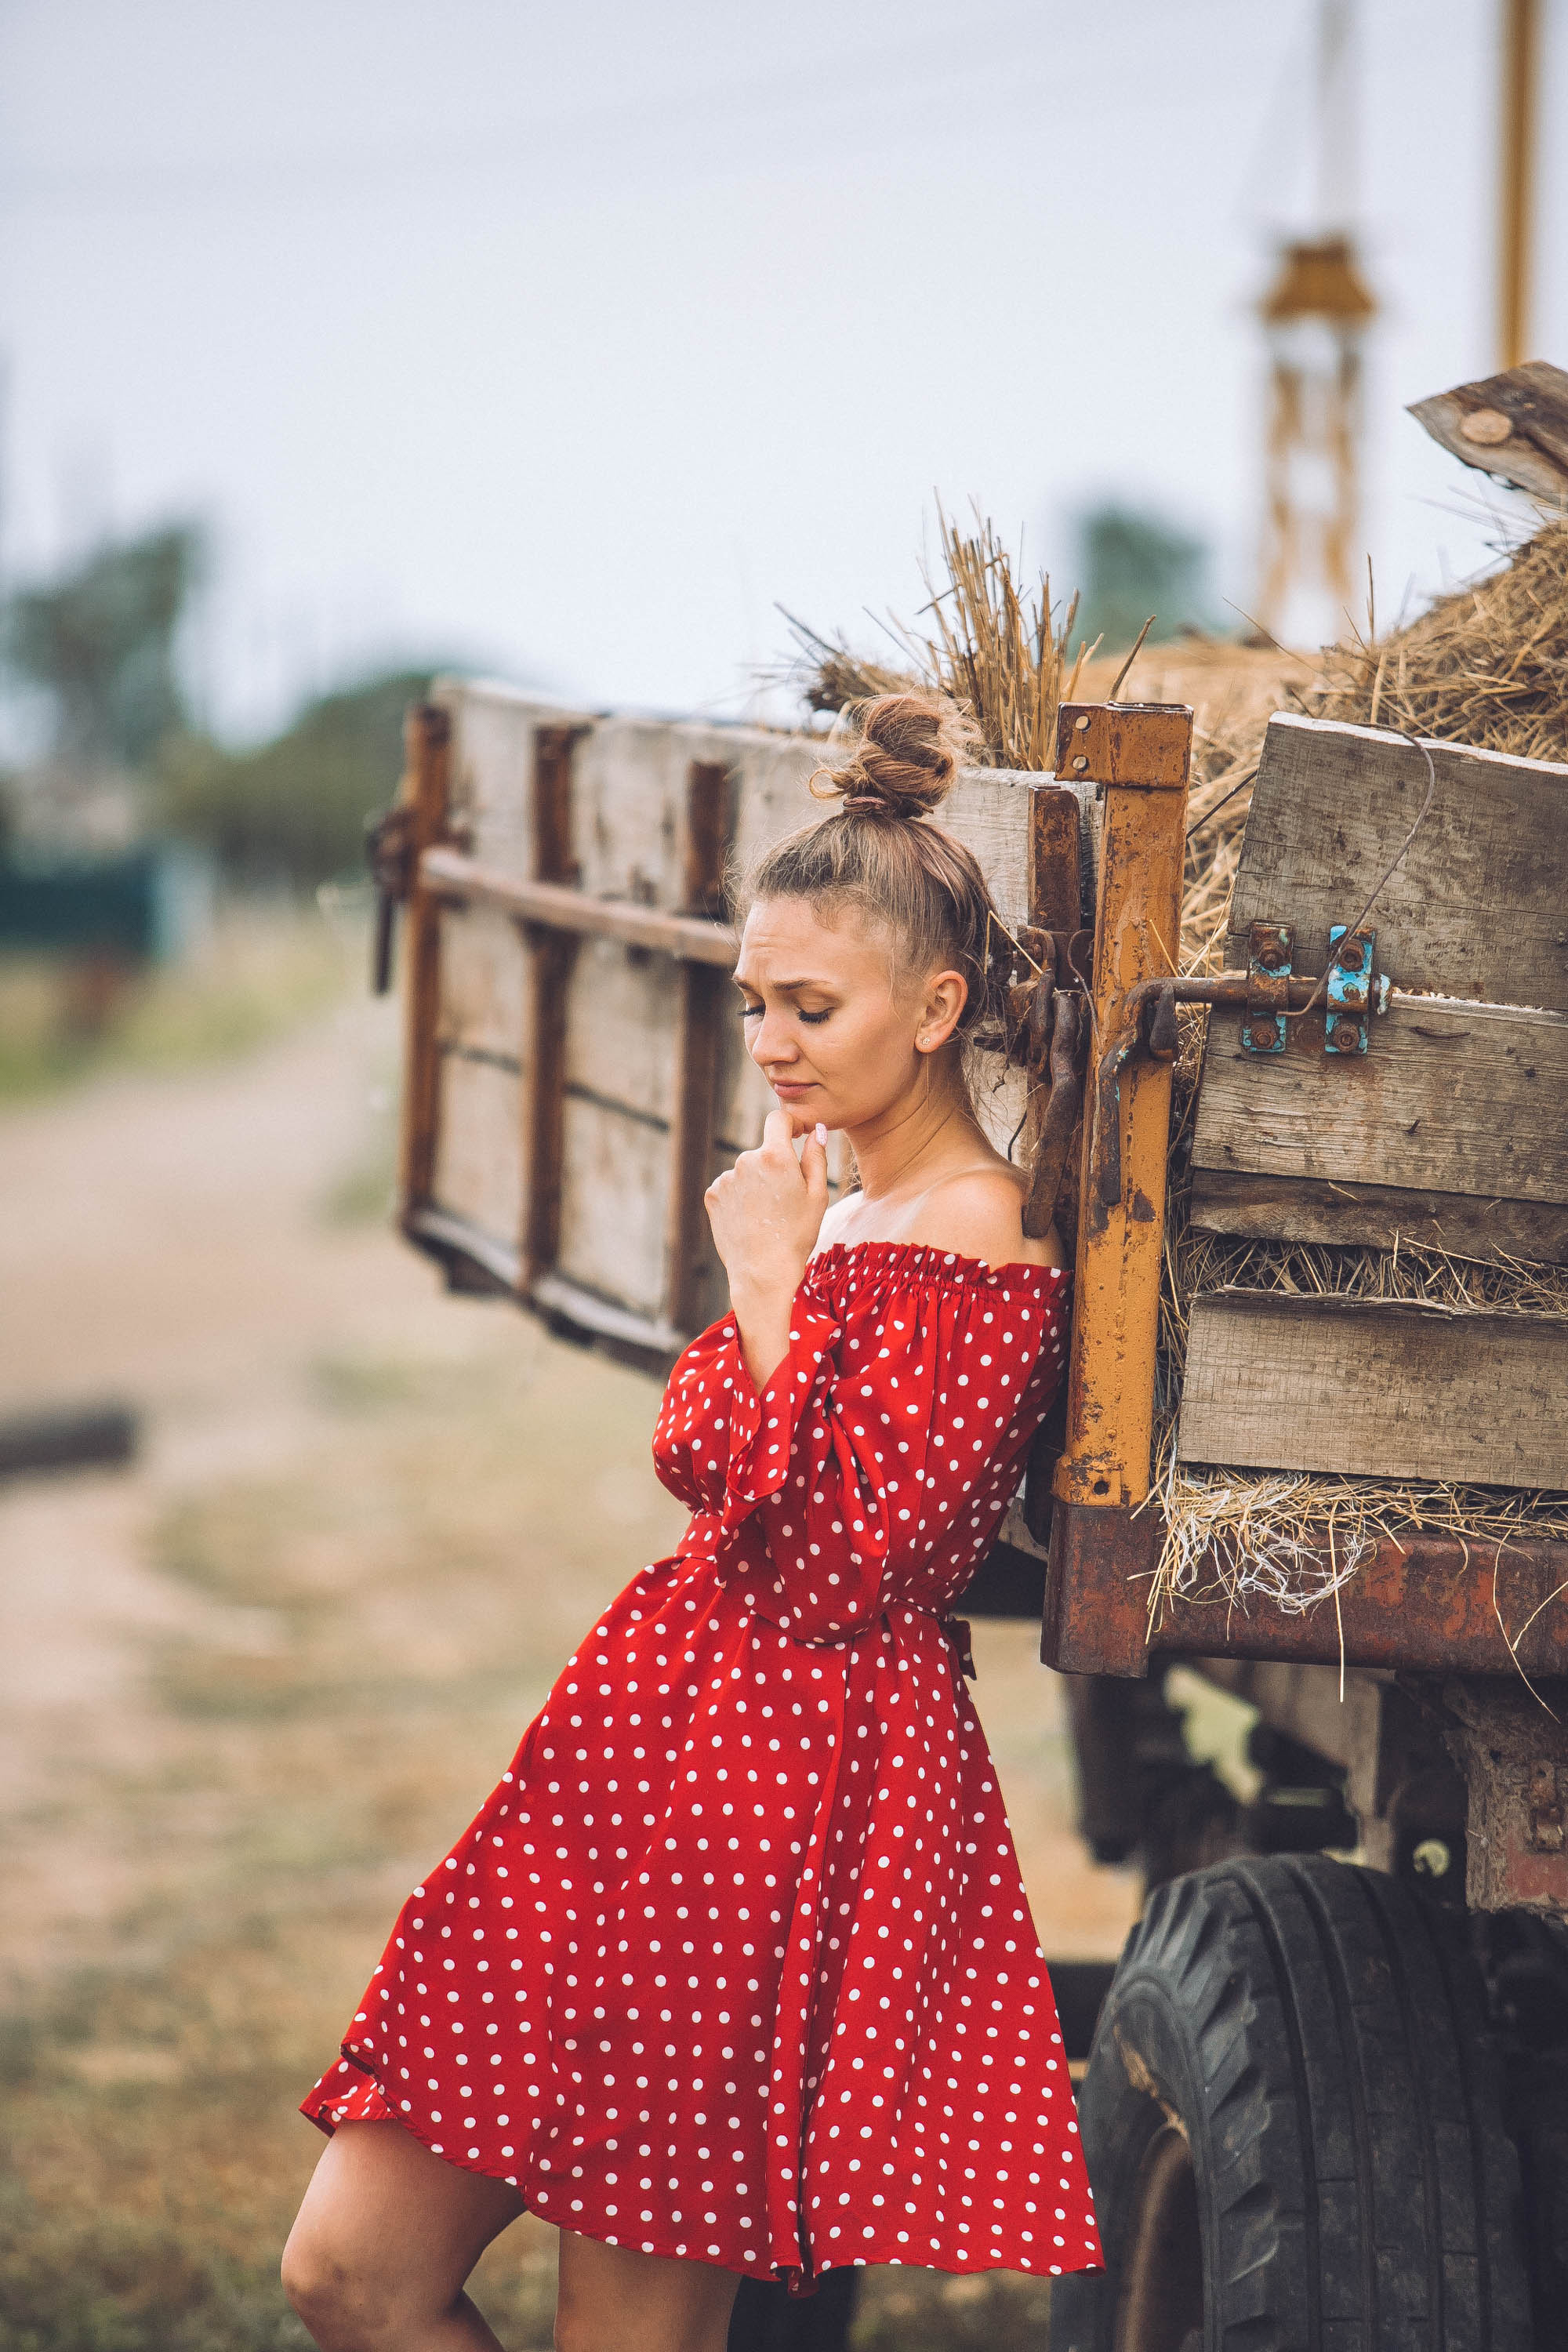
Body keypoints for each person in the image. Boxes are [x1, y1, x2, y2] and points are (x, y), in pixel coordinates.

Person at [282, 691, 1102, 2352]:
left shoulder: (978, 1236)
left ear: (937, 1008)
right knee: (348, 2274)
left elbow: (845, 1558)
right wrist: (789, 1267)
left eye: (811, 1006)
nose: (772, 1044)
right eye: (754, 1005)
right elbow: (712, 1461)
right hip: (650, 1748)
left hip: (783, 1790)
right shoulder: (841, 1200)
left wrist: (766, 1283)